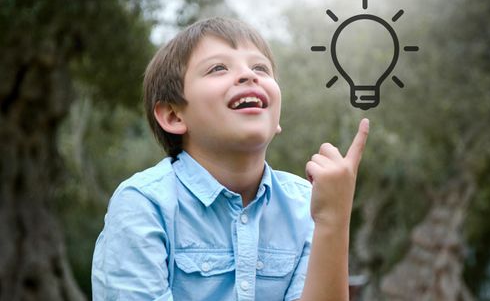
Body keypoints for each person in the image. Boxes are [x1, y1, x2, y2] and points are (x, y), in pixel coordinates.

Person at [91, 17, 369, 301]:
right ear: (174, 116)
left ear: (276, 118)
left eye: (260, 68)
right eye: (218, 68)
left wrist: (333, 220)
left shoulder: (306, 205)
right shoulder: (143, 204)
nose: (249, 75)